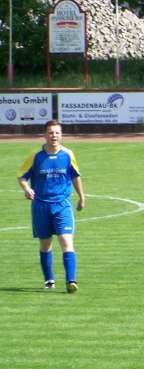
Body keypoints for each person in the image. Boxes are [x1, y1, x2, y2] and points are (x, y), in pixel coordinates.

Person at [17, 120, 85, 293]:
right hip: (40, 205)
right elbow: (22, 177)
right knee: (45, 243)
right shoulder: (36, 155)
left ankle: (71, 281)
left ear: (61, 135)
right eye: (50, 132)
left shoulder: (68, 154)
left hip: (62, 204)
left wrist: (81, 197)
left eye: (57, 132)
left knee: (66, 240)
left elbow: (75, 176)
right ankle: (49, 279)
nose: (54, 135)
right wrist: (27, 189)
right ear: (44, 135)